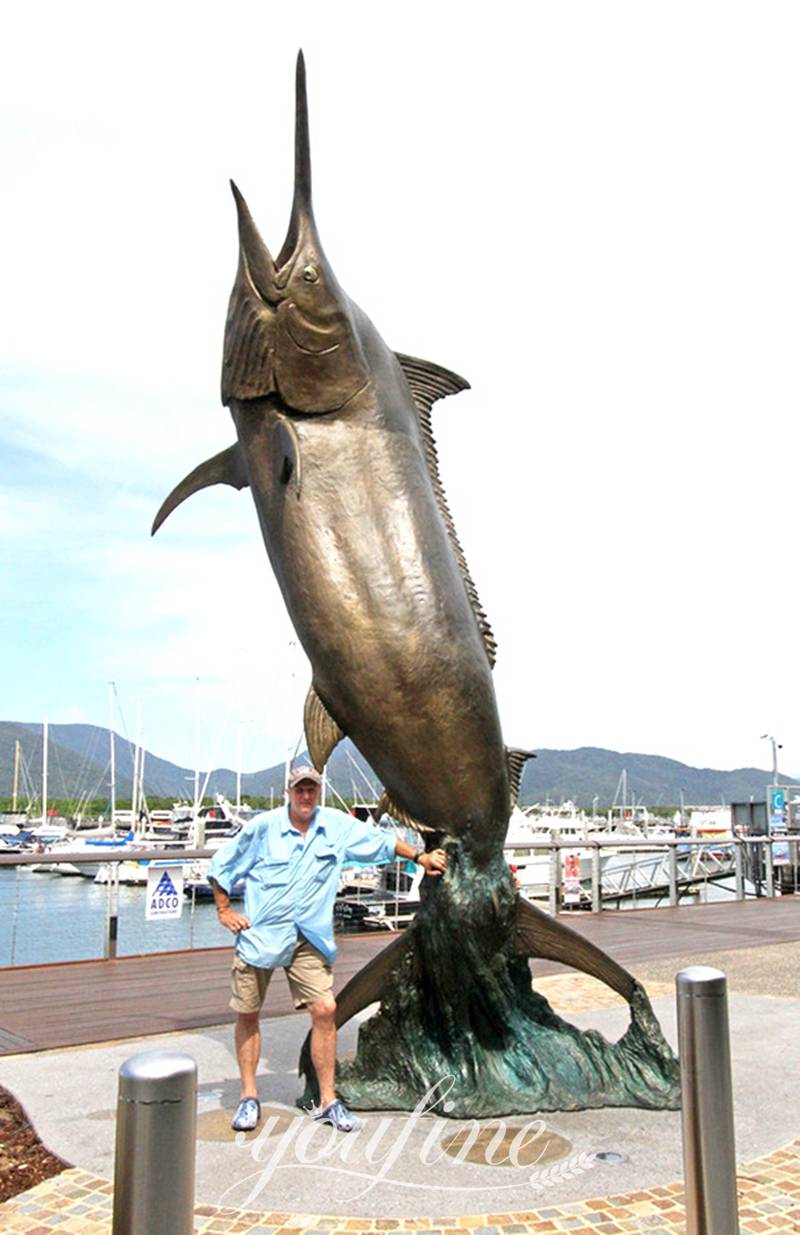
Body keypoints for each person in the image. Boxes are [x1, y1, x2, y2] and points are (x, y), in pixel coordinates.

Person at [209, 765, 447, 1133]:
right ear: (288, 792)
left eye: (311, 790)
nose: (306, 796)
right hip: (262, 937)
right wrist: (225, 911)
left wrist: (420, 858)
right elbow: (221, 866)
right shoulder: (263, 828)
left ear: (318, 792)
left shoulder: (335, 826)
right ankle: (248, 1096)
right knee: (248, 1013)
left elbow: (380, 842)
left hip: (310, 938)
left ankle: (328, 1101)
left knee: (325, 1010)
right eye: (300, 790)